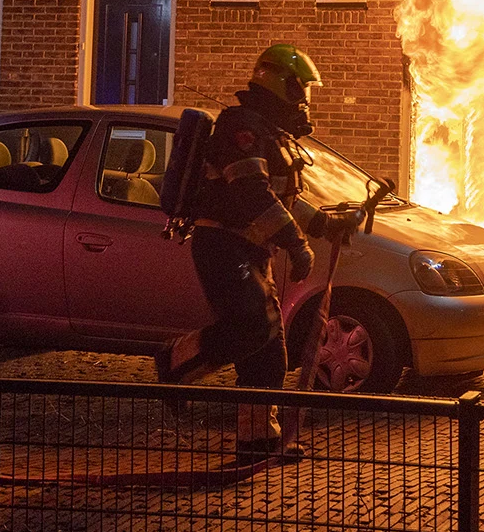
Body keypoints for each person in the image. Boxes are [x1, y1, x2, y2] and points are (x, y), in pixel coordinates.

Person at [155, 43, 363, 461]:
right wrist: (297, 244)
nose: (305, 100)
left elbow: (284, 198)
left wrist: (325, 225)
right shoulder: (241, 129)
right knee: (252, 327)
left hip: (249, 250)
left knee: (268, 353)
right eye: (301, 89)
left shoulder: (268, 132)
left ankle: (257, 442)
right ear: (280, 83)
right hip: (223, 246)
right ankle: (174, 362)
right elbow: (252, 193)